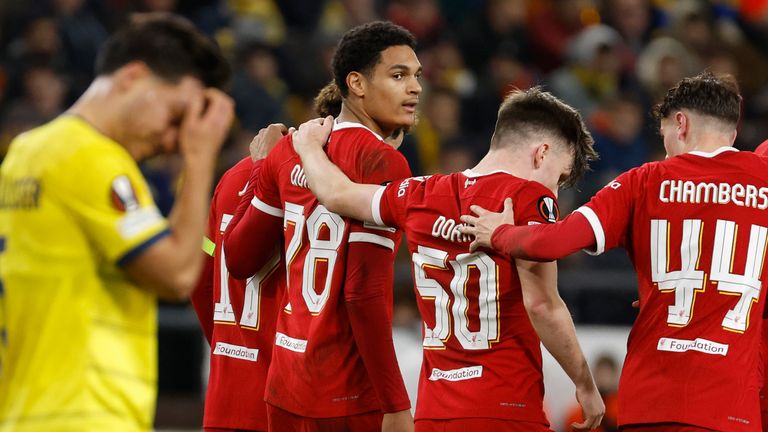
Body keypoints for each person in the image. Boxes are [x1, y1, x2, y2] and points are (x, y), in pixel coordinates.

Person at [459, 72, 766, 432]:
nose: (666, 146)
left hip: (652, 400)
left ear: (680, 123)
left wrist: (501, 233)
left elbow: (553, 242)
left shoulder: (644, 180)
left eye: (665, 132)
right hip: (730, 406)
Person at [290, 87, 604, 432]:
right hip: (503, 407)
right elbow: (543, 304)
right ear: (541, 153)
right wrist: (585, 384)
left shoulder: (419, 192)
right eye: (559, 178)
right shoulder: (528, 199)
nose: (555, 191)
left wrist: (307, 147)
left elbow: (337, 193)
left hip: (433, 411)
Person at [0, 13, 233, 432]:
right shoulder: (91, 158)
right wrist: (199, 159)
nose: (172, 140)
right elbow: (178, 274)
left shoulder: (27, 151)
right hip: (83, 412)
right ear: (133, 76)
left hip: (28, 407)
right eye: (176, 115)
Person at [223, 21, 418, 431]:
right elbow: (363, 293)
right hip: (347, 389)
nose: (415, 87)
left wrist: (262, 169)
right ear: (357, 84)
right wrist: (395, 402)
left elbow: (238, 259)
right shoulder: (382, 161)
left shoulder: (288, 152)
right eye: (399, 75)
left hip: (286, 382)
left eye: (417, 76)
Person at [190, 124, 288, 432]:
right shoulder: (317, 184)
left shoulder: (232, 177)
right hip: (287, 404)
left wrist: (225, 344)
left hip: (225, 398)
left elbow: (200, 279)